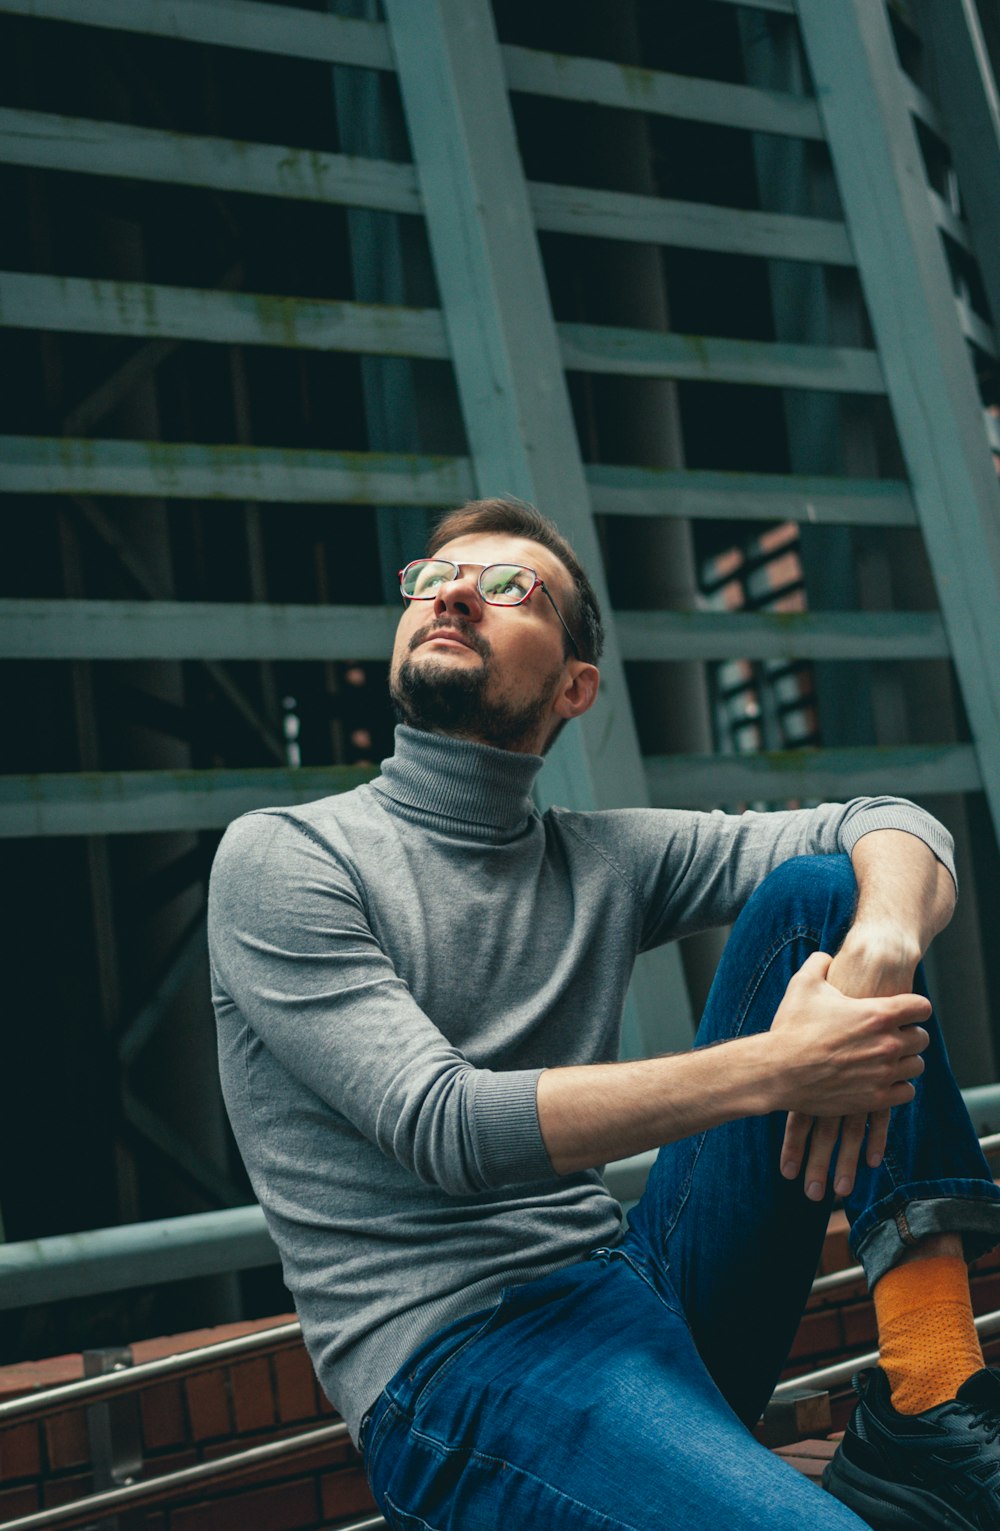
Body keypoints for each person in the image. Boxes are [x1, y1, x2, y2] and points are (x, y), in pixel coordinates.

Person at [209, 497, 1000, 1530]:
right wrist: (781, 1066)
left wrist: (881, 946)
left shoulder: (600, 855)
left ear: (574, 686)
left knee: (823, 893)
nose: (452, 592)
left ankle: (929, 1389)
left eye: (507, 586)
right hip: (463, 1364)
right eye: (434, 575)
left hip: (638, 1282)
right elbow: (445, 1127)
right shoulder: (285, 858)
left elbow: (889, 824)